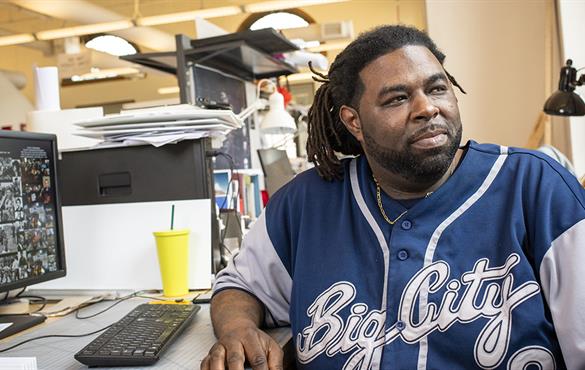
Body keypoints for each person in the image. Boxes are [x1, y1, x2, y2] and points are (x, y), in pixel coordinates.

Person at [202, 25, 585, 370]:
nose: (427, 108)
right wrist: (238, 327)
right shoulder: (305, 203)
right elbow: (241, 285)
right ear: (354, 122)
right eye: (397, 99)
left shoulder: (536, 187)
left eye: (437, 88)